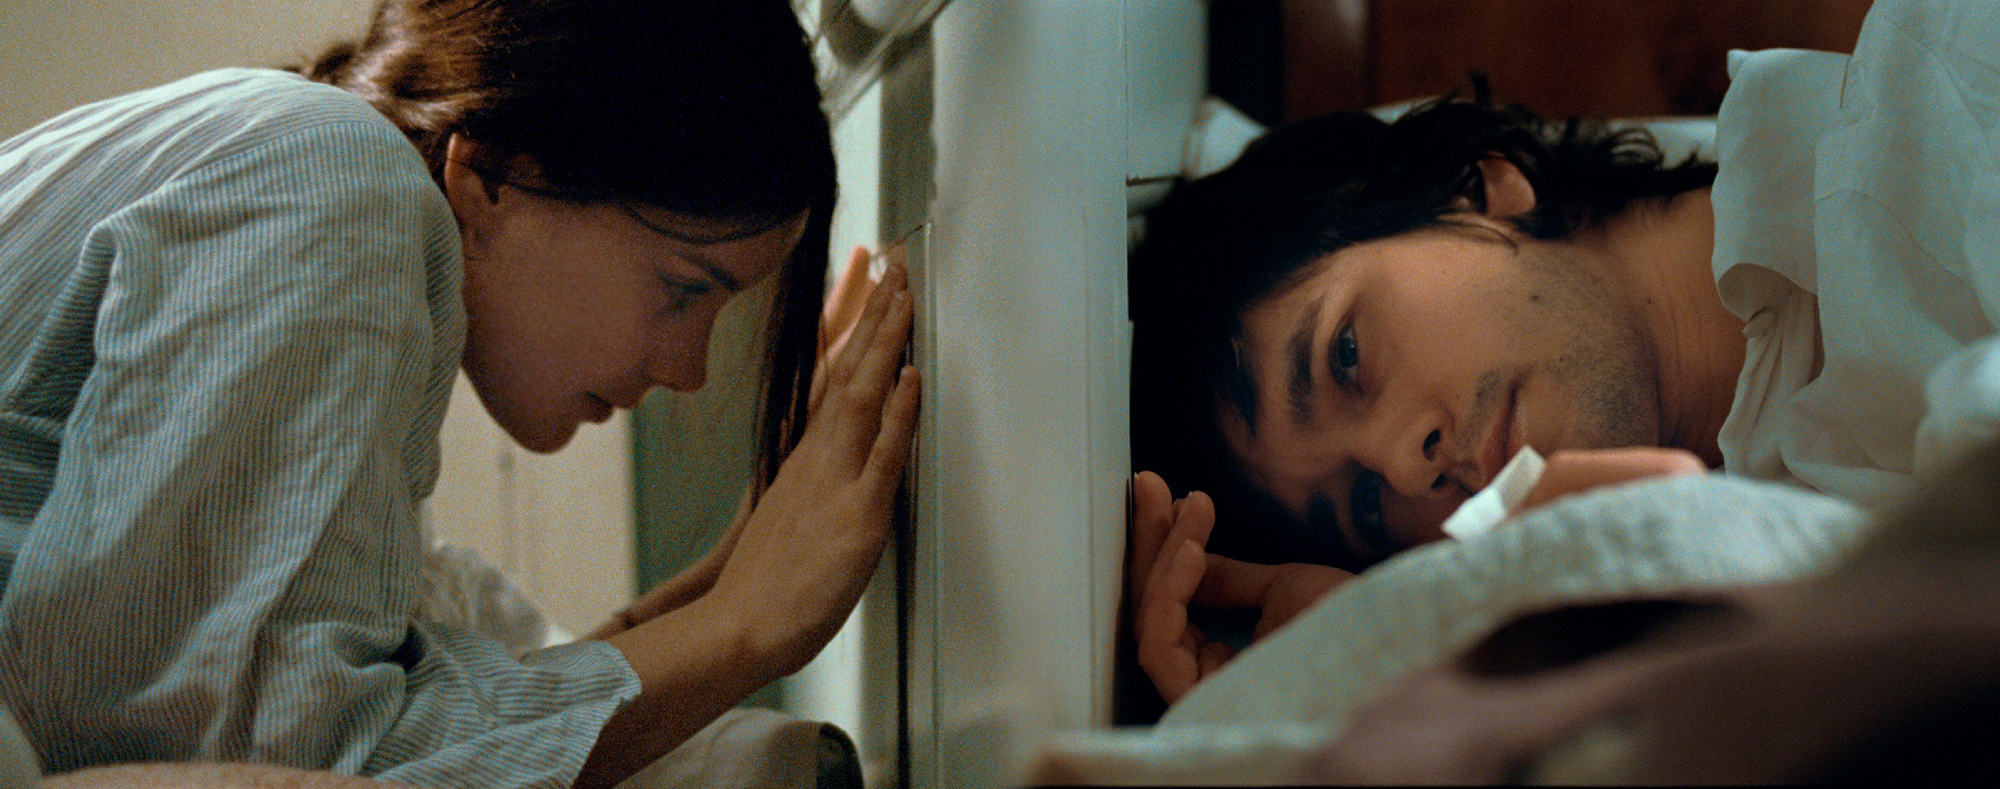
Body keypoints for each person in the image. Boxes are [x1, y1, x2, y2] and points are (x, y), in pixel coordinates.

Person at [0, 1, 919, 786]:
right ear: (486, 178)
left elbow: (447, 697)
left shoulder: (328, 205)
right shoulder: (332, 179)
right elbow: (254, 754)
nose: (688, 369)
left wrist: (730, 572)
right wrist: (745, 623)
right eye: (683, 288)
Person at [1125, 0, 2000, 705]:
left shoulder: (1950, 83)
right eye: (1359, 504)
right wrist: (1389, 642)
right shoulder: (1707, 630)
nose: (1403, 465)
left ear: (1483, 185)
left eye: (1345, 355)